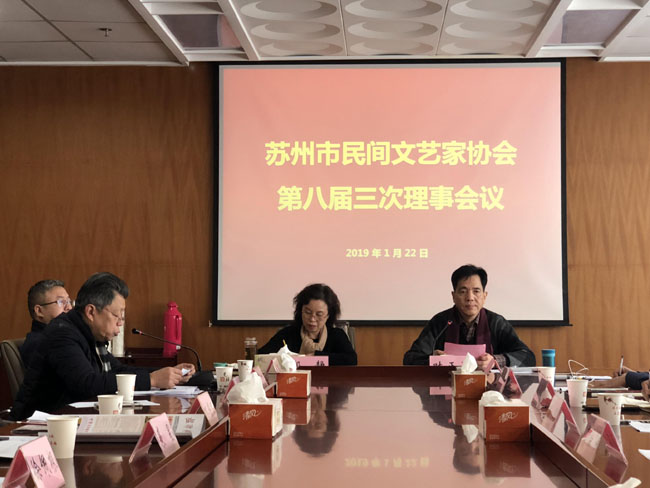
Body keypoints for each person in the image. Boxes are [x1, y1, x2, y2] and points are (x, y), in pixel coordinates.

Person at [11, 272, 195, 420]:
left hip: (72, 422)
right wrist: (152, 380)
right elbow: (86, 384)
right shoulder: (62, 334)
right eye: (117, 315)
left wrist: (165, 374)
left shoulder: (89, 333)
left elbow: (118, 370)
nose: (120, 322)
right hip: (37, 429)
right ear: (91, 312)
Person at [403, 264, 535, 369]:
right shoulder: (441, 322)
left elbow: (527, 357)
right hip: (446, 389)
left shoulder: (496, 323)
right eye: (463, 291)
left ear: (484, 296)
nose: (470, 298)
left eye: (476, 291)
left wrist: (495, 360)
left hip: (487, 390)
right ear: (453, 296)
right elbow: (410, 359)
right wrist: (432, 360)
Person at [257, 283, 357, 365]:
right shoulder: (288, 334)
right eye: (308, 312)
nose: (312, 319)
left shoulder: (336, 335)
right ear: (300, 311)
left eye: (319, 314)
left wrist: (316, 357)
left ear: (328, 315)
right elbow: (260, 357)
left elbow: (351, 360)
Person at [20, 279, 74, 368]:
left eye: (69, 301)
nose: (69, 307)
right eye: (61, 302)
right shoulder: (38, 344)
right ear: (39, 311)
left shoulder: (64, 336)